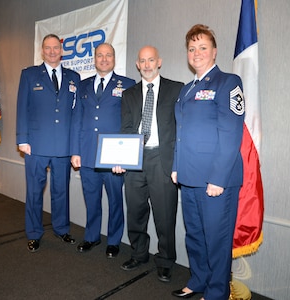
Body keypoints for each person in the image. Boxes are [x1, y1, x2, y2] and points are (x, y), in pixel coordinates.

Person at [171, 24, 245, 299]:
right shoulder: (187, 89)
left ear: (214, 52)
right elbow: (181, 134)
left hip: (215, 181)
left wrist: (218, 178)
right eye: (192, 48)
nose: (197, 53)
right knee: (195, 236)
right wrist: (177, 166)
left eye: (203, 47)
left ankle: (216, 292)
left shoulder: (228, 82)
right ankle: (199, 279)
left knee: (216, 239)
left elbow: (231, 134)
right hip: (189, 177)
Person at [112, 46, 183, 282]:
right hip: (135, 159)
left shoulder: (176, 89)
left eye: (151, 59)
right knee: (135, 211)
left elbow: (182, 129)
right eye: (142, 60)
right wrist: (121, 158)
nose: (147, 64)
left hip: (162, 160)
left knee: (165, 216)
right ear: (137, 64)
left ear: (159, 61)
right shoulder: (129, 94)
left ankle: (165, 260)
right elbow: (126, 128)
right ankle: (139, 253)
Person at [16, 34, 80, 252]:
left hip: (63, 146)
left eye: (56, 48)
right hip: (35, 145)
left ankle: (61, 229)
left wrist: (74, 146)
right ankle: (33, 233)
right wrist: (22, 139)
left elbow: (75, 113)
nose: (52, 51)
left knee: (61, 190)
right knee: (34, 191)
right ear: (42, 50)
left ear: (61, 51)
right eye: (48, 48)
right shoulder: (29, 74)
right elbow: (22, 108)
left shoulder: (74, 77)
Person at [70, 43, 135, 258]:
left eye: (108, 55)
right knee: (92, 199)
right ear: (94, 59)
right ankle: (91, 236)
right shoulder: (83, 85)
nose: (104, 59)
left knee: (116, 200)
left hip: (113, 157)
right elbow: (77, 119)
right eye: (100, 55)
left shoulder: (127, 84)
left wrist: (125, 156)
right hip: (87, 154)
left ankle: (114, 241)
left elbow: (131, 121)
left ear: (114, 58)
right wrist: (75, 151)